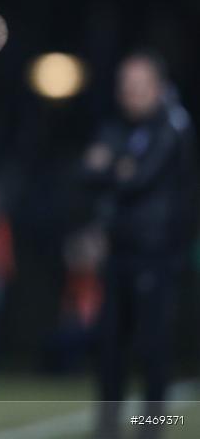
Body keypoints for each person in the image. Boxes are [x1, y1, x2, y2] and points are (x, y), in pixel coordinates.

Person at [83, 50, 197, 439]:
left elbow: (139, 177)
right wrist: (115, 167)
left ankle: (153, 429)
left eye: (139, 86)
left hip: (158, 253)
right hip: (120, 252)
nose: (130, 94)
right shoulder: (119, 126)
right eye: (125, 86)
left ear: (158, 87)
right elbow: (88, 172)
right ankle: (108, 426)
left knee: (152, 347)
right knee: (110, 345)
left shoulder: (174, 123)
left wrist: (110, 165)